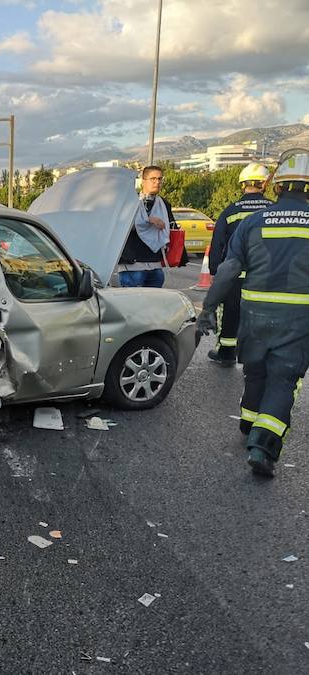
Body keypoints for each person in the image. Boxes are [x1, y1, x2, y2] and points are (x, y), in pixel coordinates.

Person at [197, 149, 309, 477]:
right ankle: (262, 445)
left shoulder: (253, 222)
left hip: (255, 313)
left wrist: (208, 308)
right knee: (283, 379)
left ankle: (248, 422)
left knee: (256, 371)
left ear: (277, 186)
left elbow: (229, 270)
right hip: (298, 318)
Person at [206, 162, 273, 366]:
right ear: (264, 184)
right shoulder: (274, 210)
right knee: (261, 316)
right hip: (265, 275)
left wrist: (215, 272)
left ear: (242, 184)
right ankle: (257, 357)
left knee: (230, 313)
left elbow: (218, 243)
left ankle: (226, 353)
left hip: (234, 275)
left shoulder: (231, 211)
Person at [117, 165, 178, 288]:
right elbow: (121, 225)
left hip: (155, 264)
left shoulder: (164, 204)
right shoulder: (130, 202)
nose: (157, 182)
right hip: (133, 265)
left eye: (160, 179)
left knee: (153, 306)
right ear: (143, 181)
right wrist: (147, 220)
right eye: (153, 179)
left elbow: (172, 229)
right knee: (133, 305)